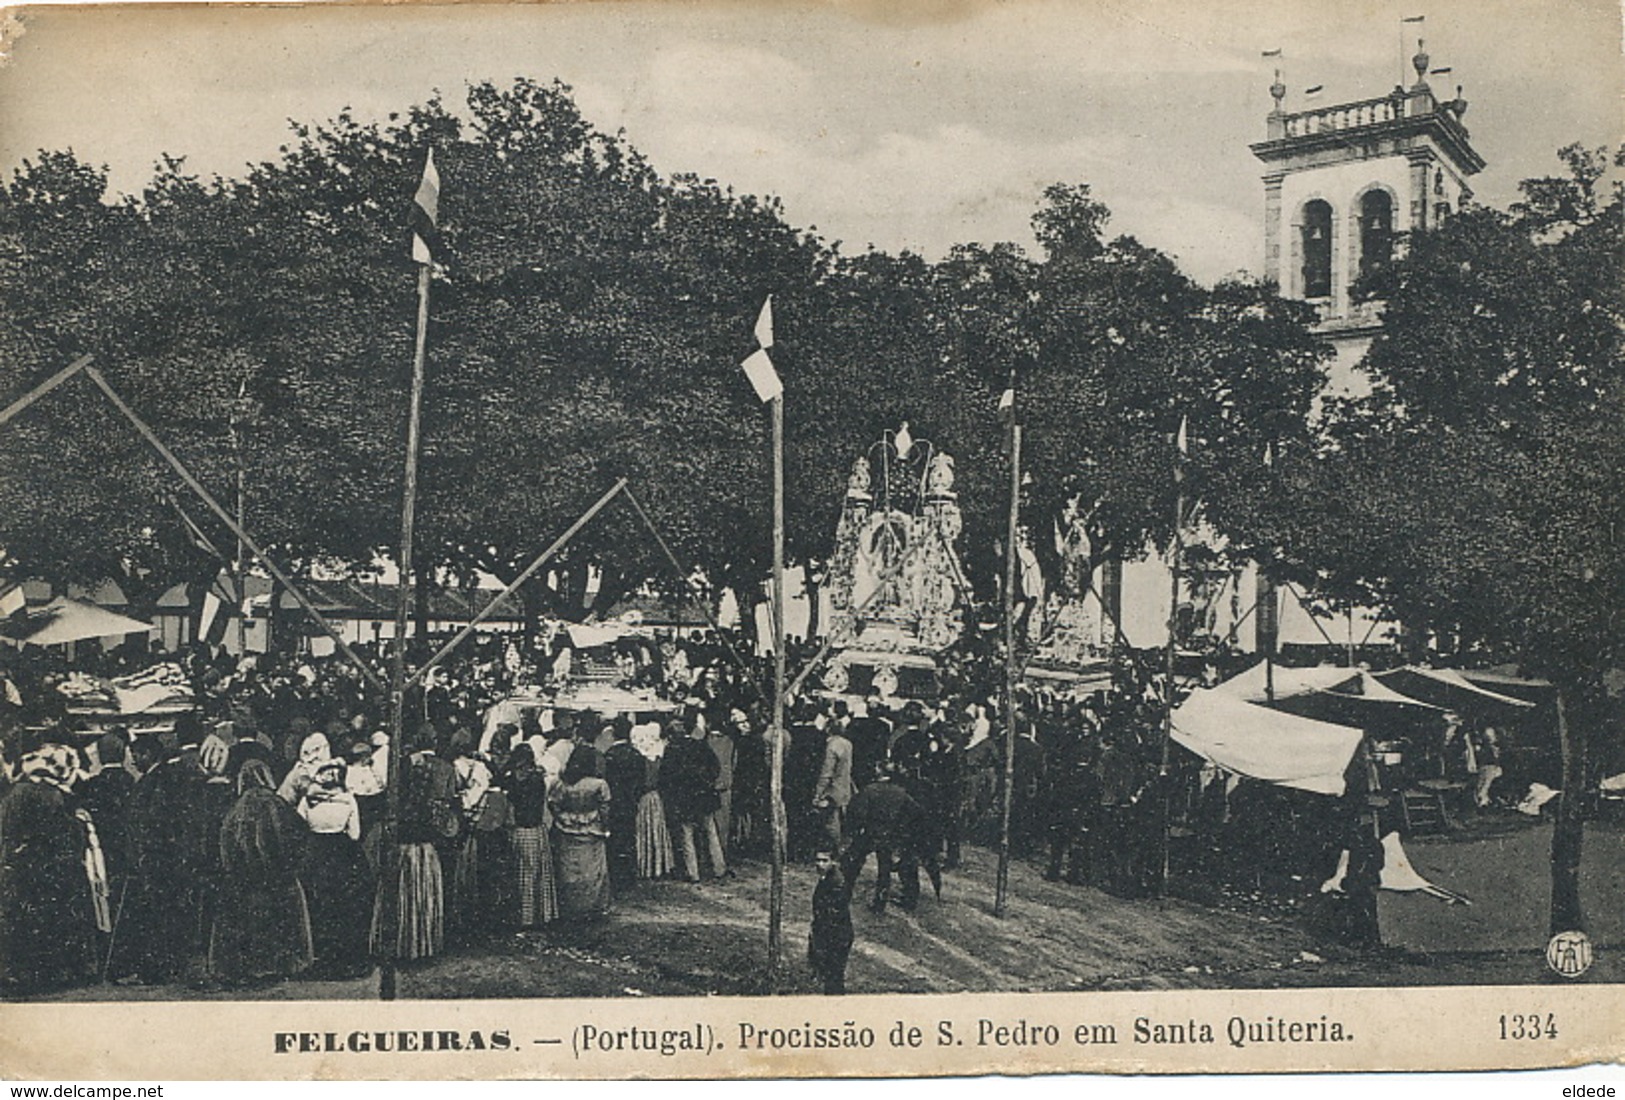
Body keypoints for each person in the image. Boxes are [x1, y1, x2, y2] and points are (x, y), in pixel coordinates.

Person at [0, 739, 104, 993]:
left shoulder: (15, 794)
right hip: (50, 867)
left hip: (20, 866)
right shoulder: (53, 796)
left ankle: (24, 972)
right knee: (52, 918)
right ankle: (53, 971)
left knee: (25, 920)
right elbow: (66, 835)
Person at [208, 759, 314, 986]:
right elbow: (299, 835)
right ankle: (278, 966)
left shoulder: (235, 808)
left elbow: (224, 845)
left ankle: (246, 968)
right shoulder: (278, 804)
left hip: (243, 880)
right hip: (278, 879)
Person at [372, 724, 455, 961]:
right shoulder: (445, 769)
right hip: (427, 848)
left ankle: (400, 941)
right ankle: (423, 942)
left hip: (403, 848)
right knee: (425, 896)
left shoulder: (401, 767)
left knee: (401, 894)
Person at [297, 758, 373, 978]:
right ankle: (344, 957)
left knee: (316, 903)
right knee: (344, 905)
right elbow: (355, 833)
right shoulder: (348, 799)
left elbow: (300, 827)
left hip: (315, 852)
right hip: (342, 853)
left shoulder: (308, 800)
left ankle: (318, 956)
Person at [841, 766, 942, 915]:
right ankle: (880, 903)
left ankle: (844, 894)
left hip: (870, 833)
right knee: (884, 870)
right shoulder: (901, 792)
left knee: (852, 863)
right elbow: (916, 812)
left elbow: (857, 813)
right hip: (891, 835)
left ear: (879, 773)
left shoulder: (869, 790)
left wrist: (856, 832)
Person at [659, 715, 727, 883]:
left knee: (687, 834)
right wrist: (707, 782)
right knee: (711, 832)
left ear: (671, 735)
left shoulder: (671, 751)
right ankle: (719, 868)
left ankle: (693, 873)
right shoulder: (700, 745)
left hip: (684, 800)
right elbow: (715, 767)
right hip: (704, 797)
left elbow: (666, 778)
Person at [549, 748, 612, 921]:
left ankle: (570, 905)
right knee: (593, 870)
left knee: (568, 869)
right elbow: (605, 809)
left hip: (567, 827)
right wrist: (605, 827)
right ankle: (593, 906)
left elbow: (553, 804)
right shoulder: (599, 784)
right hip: (591, 828)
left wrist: (561, 818)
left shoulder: (562, 783)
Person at [504, 744, 557, 929]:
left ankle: (520, 915)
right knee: (536, 874)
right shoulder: (537, 780)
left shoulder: (511, 780)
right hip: (536, 831)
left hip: (518, 831)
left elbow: (509, 809)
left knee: (519, 874)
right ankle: (538, 914)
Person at [602, 718, 644, 888]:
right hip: (630, 802)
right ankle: (629, 876)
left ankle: (616, 876)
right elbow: (641, 782)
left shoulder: (610, 755)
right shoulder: (636, 755)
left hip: (614, 803)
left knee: (614, 840)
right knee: (629, 838)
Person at [807, 846, 854, 995]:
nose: (820, 864)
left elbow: (832, 915)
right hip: (829, 935)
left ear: (833, 862)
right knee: (830, 977)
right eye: (817, 860)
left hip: (836, 937)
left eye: (824, 861)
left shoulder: (836, 883)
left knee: (834, 978)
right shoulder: (826, 878)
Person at [631, 722, 675, 881]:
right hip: (656, 798)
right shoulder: (658, 755)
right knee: (656, 830)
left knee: (645, 830)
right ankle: (658, 865)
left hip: (645, 798)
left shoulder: (642, 757)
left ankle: (646, 865)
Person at [812, 710, 855, 847]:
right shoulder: (847, 743)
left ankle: (834, 849)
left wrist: (818, 793)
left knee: (831, 822)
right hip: (844, 785)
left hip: (832, 788)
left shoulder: (831, 746)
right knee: (841, 819)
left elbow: (827, 771)